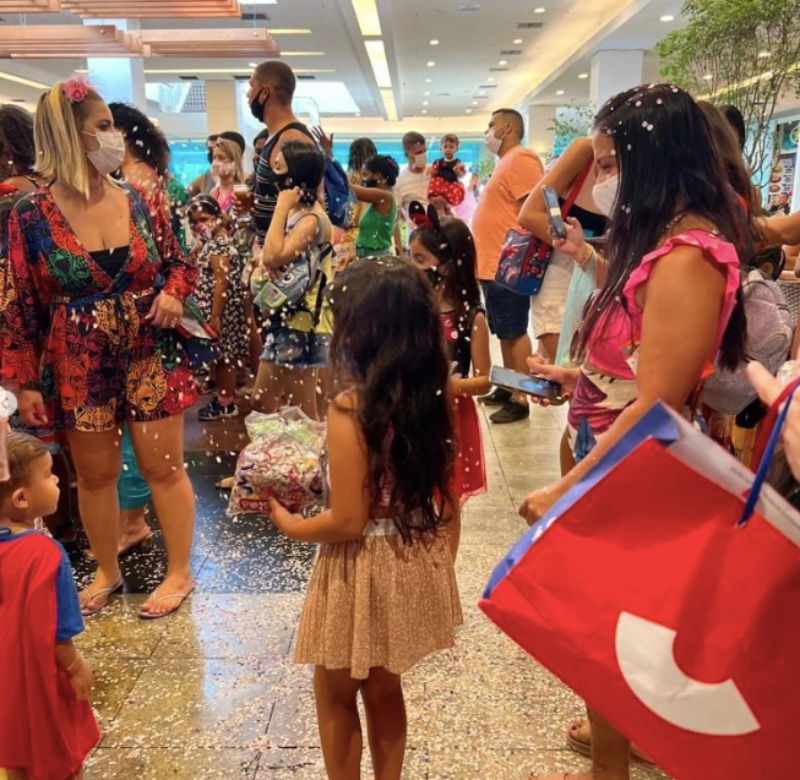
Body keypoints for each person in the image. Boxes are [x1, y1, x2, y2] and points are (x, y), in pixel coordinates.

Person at [520, 83, 747, 780]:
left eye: (613, 163)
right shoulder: (664, 245)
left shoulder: (687, 258)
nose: (605, 180)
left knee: (612, 639)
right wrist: (576, 380)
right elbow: (643, 368)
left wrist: (565, 486)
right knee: (603, 640)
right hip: (615, 452)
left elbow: (656, 408)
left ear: (653, 160)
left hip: (639, 471)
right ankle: (610, 762)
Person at [1, 79, 198, 619]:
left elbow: (180, 263)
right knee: (94, 476)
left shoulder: (137, 200)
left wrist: (173, 295)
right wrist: (25, 381)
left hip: (146, 346)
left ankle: (179, 570)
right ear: (71, 135)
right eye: (104, 127)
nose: (117, 136)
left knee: (165, 467)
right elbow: (19, 301)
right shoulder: (30, 214)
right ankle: (108, 568)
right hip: (75, 357)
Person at [269, 257, 462, 780]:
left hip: (360, 565)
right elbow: (451, 493)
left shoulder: (351, 408)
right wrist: (440, 565)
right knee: (384, 686)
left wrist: (290, 524)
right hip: (410, 552)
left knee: (334, 691)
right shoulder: (434, 394)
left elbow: (348, 520)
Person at [0, 432, 99, 780]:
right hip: (39, 673)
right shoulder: (46, 554)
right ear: (22, 498)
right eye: (48, 474)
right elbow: (58, 629)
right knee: (60, 753)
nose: (57, 479)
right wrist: (75, 668)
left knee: (14, 754)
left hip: (4, 680)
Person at [409, 206, 491, 558]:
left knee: (447, 499)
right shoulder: (412, 308)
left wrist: (449, 387)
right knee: (411, 492)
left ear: (447, 262)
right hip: (410, 414)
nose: (412, 266)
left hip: (450, 418)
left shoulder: (471, 316)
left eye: (419, 258)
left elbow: (485, 379)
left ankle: (445, 571)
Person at [472, 108, 545, 424]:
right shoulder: (507, 162)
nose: (488, 131)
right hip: (493, 264)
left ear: (508, 126)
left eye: (491, 125)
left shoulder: (522, 159)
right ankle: (508, 384)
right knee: (503, 329)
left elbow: (534, 208)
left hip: (509, 263)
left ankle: (522, 396)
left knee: (515, 331)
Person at [253, 141, 333, 420]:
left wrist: (281, 205)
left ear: (293, 176)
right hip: (293, 318)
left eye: (277, 167)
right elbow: (269, 256)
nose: (270, 174)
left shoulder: (310, 219)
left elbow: (272, 256)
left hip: (301, 320)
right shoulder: (303, 215)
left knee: (296, 410)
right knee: (282, 405)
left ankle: (304, 462)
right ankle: (296, 460)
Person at [518, 137, 606, 363]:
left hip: (604, 277)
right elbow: (529, 215)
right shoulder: (586, 149)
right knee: (567, 365)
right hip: (561, 272)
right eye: (605, 166)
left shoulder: (646, 168)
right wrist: (576, 247)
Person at [187, 195, 248, 421]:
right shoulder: (213, 242)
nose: (199, 226)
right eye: (194, 222)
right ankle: (222, 393)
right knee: (221, 355)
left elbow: (221, 282)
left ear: (218, 217)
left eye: (204, 219)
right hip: (219, 310)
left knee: (225, 357)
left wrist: (215, 316)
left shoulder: (219, 245)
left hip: (222, 311)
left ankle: (226, 403)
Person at [244, 61, 319, 243]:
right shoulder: (274, 136)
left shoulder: (292, 138)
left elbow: (309, 207)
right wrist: (254, 204)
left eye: (251, 86)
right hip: (270, 258)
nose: (248, 94)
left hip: (284, 264)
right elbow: (279, 198)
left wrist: (282, 257)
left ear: (264, 93)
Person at [352, 154, 399, 258]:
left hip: (376, 260)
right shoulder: (377, 200)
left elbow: (350, 189)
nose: (362, 179)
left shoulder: (383, 196)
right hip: (367, 258)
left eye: (365, 174)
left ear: (377, 175)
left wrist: (329, 158)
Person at [394, 131, 431, 231]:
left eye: (424, 151)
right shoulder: (400, 182)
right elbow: (397, 218)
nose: (423, 155)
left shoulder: (435, 172)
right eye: (418, 153)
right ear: (407, 154)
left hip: (441, 233)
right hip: (417, 236)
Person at [427, 133, 466, 214]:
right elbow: (433, 172)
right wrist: (432, 172)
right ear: (441, 148)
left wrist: (457, 171)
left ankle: (447, 216)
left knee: (445, 205)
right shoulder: (438, 162)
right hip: (438, 186)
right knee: (437, 203)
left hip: (451, 186)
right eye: (445, 147)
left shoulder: (457, 162)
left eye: (451, 147)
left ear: (456, 149)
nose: (448, 149)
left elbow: (461, 175)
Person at [210, 137, 246, 213]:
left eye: (221, 158)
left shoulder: (241, 193)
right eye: (214, 157)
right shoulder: (214, 192)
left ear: (234, 162)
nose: (216, 162)